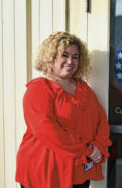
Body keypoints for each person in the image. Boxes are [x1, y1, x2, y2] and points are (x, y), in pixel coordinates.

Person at [16, 31, 112, 188]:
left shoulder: (83, 87)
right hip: (46, 169)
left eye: (75, 57)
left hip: (78, 168)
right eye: (64, 55)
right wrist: (87, 151)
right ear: (51, 57)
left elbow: (101, 120)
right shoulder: (39, 89)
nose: (70, 61)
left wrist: (99, 146)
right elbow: (48, 131)